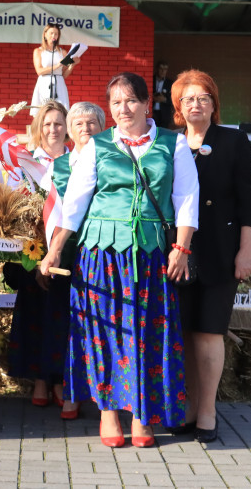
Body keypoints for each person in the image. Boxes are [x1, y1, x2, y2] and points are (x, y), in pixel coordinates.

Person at [40, 72, 198, 449]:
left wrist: (181, 247)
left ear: (147, 103)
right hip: (101, 255)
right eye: (115, 103)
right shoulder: (97, 145)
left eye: (130, 101)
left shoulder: (172, 144)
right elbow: (75, 203)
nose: (123, 109)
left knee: (147, 334)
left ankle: (142, 414)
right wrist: (56, 248)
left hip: (151, 255)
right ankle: (109, 412)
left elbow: (187, 198)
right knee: (104, 334)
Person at [170, 69, 251, 444]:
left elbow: (250, 203)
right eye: (188, 99)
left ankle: (207, 411)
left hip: (221, 253)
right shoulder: (169, 143)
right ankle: (189, 407)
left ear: (214, 104)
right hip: (177, 254)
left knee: (208, 333)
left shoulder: (234, 141)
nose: (196, 104)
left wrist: (246, 253)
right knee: (186, 334)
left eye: (203, 98)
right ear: (177, 107)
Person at [5, 101, 104, 419]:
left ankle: (65, 381)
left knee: (67, 318)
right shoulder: (28, 162)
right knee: (42, 315)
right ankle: (42, 380)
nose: (53, 129)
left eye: (59, 123)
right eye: (47, 123)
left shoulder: (89, 160)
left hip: (81, 250)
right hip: (38, 251)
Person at [30, 24, 76, 116]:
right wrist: (57, 65)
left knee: (61, 111)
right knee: (43, 111)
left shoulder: (62, 52)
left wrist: (73, 64)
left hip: (59, 83)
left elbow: (64, 74)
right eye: (51, 33)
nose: (53, 36)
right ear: (45, 35)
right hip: (44, 82)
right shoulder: (38, 51)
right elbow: (39, 71)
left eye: (56, 34)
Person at [29, 99, 69, 166]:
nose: (53, 130)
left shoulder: (77, 163)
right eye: (47, 124)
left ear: (67, 127)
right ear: (39, 128)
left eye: (58, 124)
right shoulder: (25, 162)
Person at [153, 61, 173, 129]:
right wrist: (153, 97)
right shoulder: (151, 80)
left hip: (164, 115)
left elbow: (174, 99)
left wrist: (165, 99)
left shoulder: (170, 83)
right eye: (161, 69)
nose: (162, 71)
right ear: (157, 69)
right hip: (152, 113)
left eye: (165, 69)